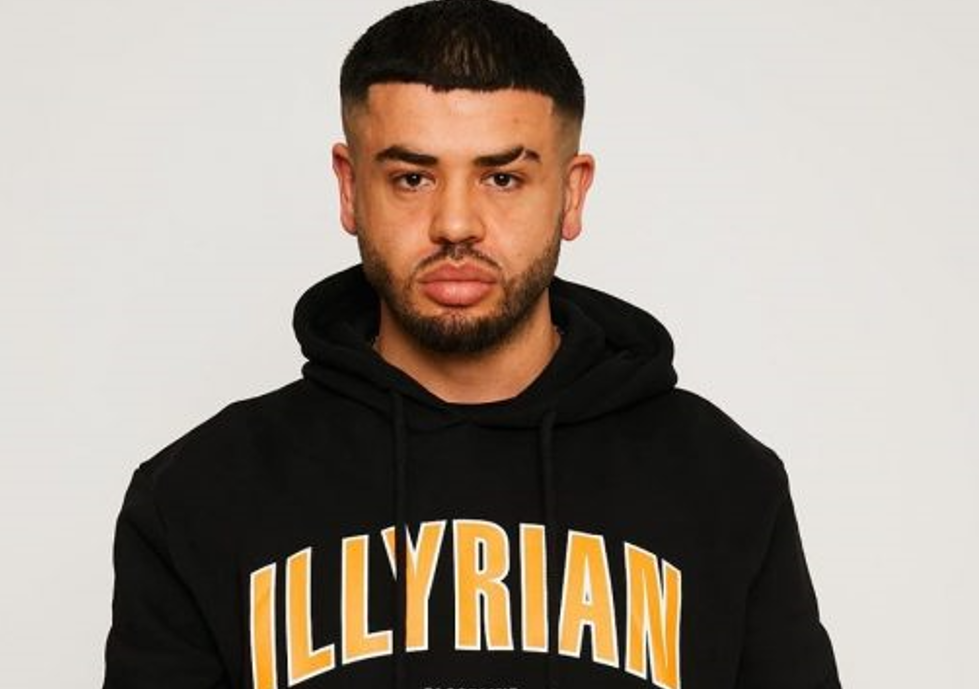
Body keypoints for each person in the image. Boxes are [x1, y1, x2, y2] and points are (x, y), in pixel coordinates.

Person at [102, 1, 842, 688]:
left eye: (503, 178)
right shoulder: (198, 494)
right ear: (350, 188)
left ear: (572, 193)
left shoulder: (723, 482)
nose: (455, 224)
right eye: (412, 177)